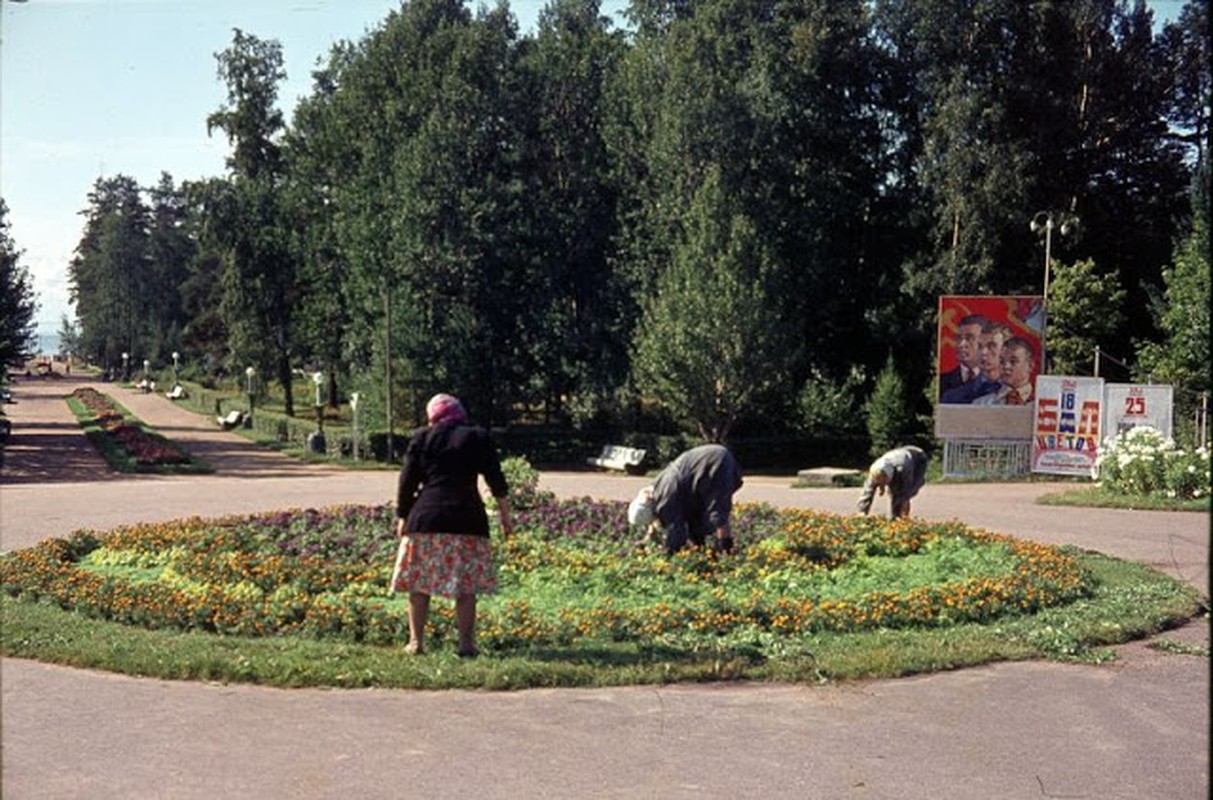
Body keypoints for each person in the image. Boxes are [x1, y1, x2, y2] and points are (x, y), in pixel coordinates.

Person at [393, 393, 513, 657]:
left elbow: (407, 481)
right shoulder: (477, 437)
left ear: (432, 415)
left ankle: (416, 643)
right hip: (467, 518)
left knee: (419, 584)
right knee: (466, 586)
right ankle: (466, 645)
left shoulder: (422, 437)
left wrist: (403, 516)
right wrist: (505, 515)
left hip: (426, 518)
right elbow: (496, 479)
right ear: (460, 413)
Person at [627, 443, 743, 554]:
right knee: (694, 516)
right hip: (711, 458)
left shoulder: (665, 501)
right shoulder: (655, 490)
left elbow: (677, 532)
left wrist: (669, 552)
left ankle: (726, 549)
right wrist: (645, 541)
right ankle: (701, 548)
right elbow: (654, 523)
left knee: (717, 511)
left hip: (714, 464)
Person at [940, 321, 1012, 404]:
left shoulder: (1019, 393)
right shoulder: (953, 397)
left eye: (992, 346)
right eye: (980, 346)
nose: (984, 352)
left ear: (1007, 351)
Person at [857, 445, 929, 518]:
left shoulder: (902, 469)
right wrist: (862, 511)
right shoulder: (874, 472)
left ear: (889, 476)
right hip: (899, 455)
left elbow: (906, 490)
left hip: (918, 460)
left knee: (899, 492)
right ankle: (895, 518)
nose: (883, 484)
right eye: (879, 483)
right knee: (895, 493)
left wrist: (903, 504)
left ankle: (900, 519)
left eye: (884, 482)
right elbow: (867, 492)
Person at [972, 336, 1037, 406]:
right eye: (1002, 361)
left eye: (1013, 362)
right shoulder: (981, 404)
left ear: (1030, 366)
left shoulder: (1042, 402)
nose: (1006, 366)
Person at [939, 314, 988, 397]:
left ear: (985, 341)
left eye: (970, 338)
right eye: (958, 338)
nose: (961, 344)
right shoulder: (942, 382)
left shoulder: (997, 382)